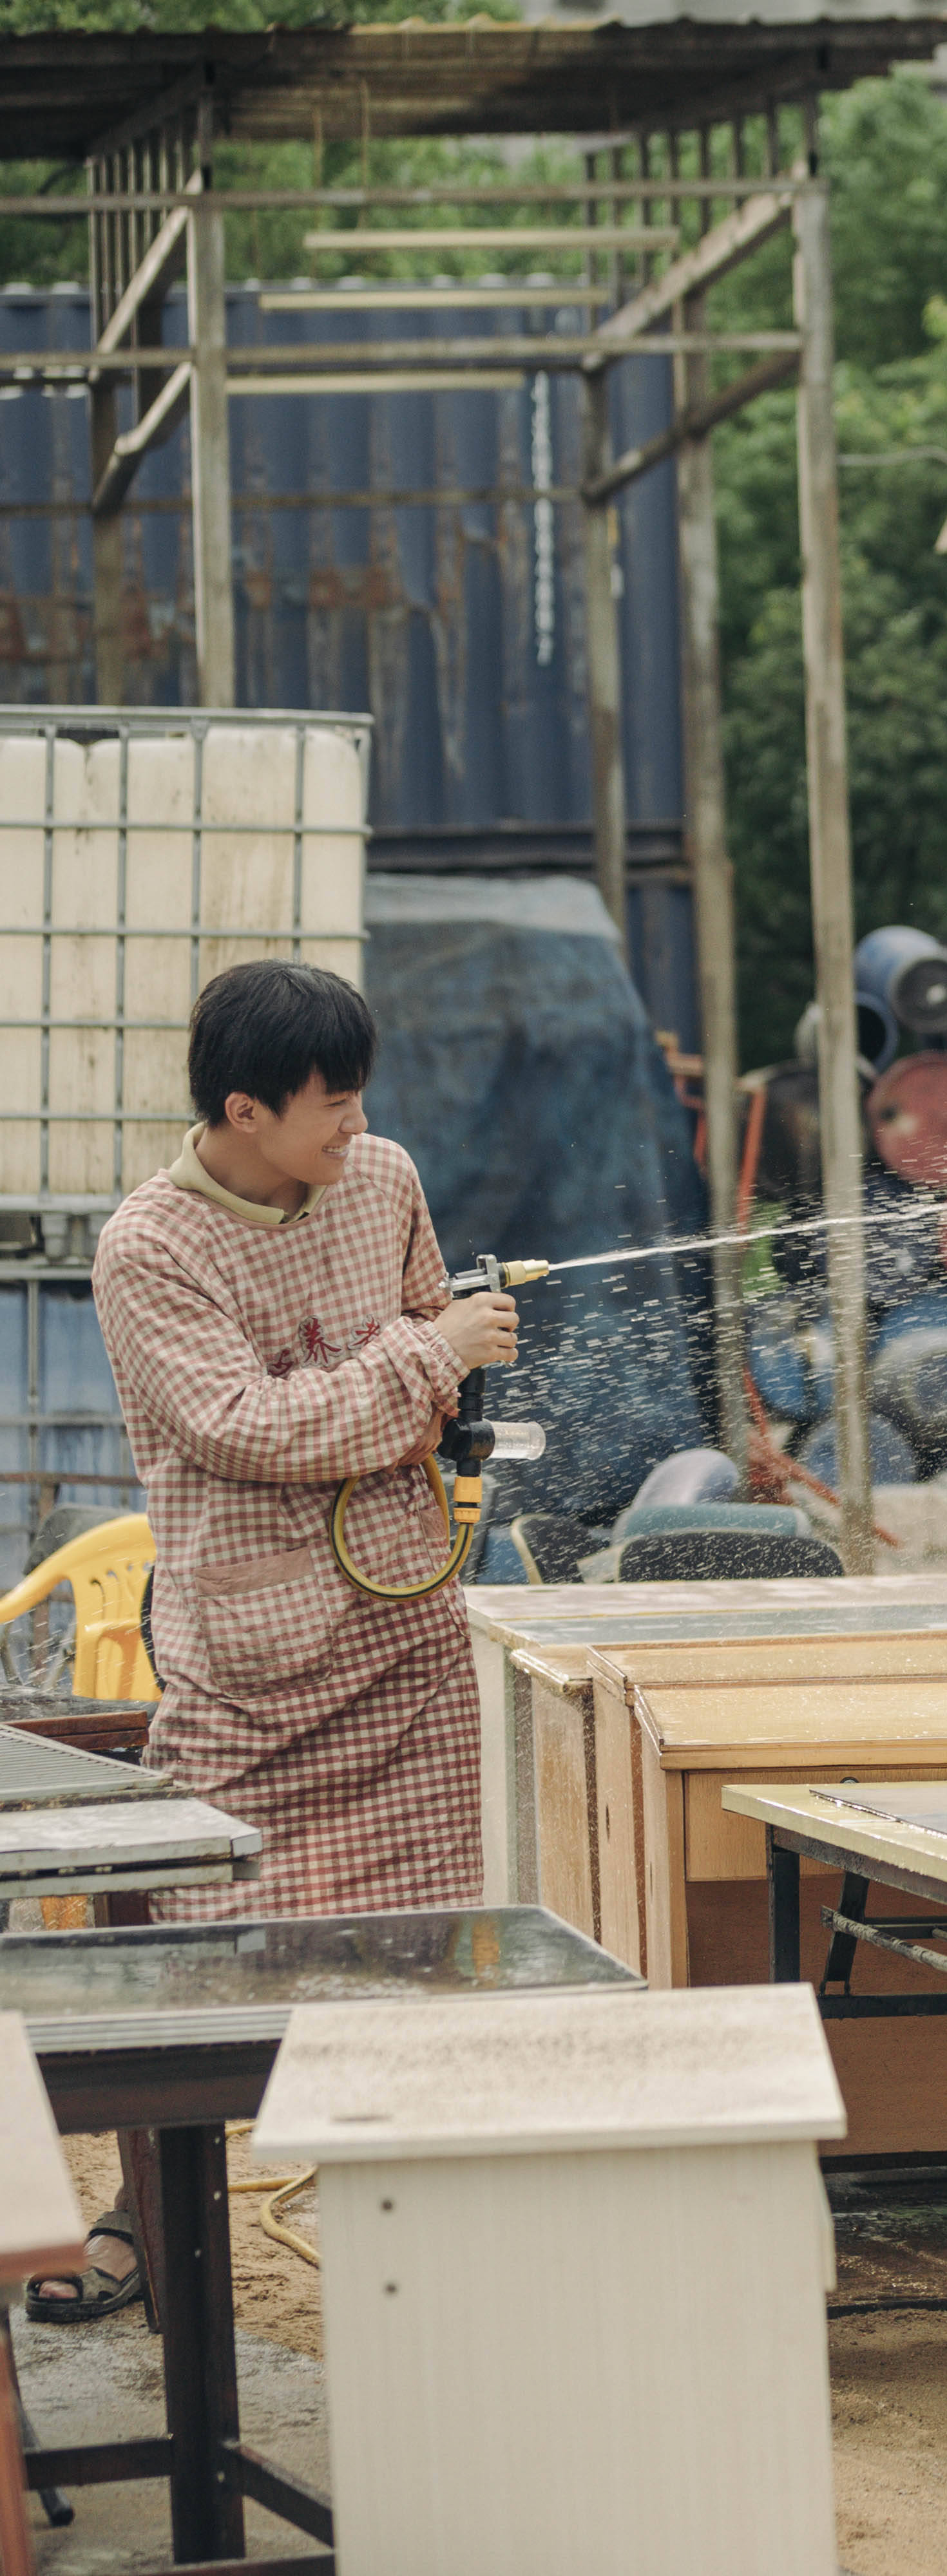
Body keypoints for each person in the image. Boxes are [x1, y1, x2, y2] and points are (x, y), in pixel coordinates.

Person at [32, 965, 513, 2320]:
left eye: (363, 1101)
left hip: (405, 1630)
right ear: (244, 1110)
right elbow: (247, 1426)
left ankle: (420, 2215)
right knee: (201, 1954)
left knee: (419, 1948)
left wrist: (445, 1364)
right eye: (331, 1108)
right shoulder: (148, 1248)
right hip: (252, 1664)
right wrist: (426, 1360)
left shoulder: (386, 1177)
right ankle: (148, 2207)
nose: (355, 1131)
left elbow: (427, 1350)